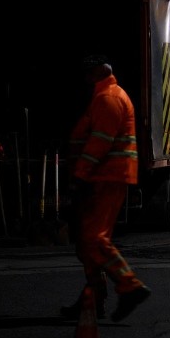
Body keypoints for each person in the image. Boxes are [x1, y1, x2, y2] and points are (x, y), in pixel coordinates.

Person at [62, 54, 151, 322]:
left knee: (93, 239)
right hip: (102, 178)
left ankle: (130, 286)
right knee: (86, 243)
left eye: (89, 72)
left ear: (99, 72)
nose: (85, 78)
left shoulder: (108, 99)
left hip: (106, 178)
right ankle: (93, 298)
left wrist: (80, 175)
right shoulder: (104, 96)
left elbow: (99, 143)